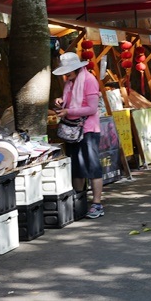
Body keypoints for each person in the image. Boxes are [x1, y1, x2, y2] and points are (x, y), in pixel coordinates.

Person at [52, 52, 104, 218]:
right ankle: (79, 200)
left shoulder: (89, 80)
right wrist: (61, 101)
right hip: (72, 130)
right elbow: (70, 100)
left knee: (92, 167)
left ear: (77, 68)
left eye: (69, 71)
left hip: (88, 129)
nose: (66, 74)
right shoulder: (70, 82)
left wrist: (69, 111)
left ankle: (97, 203)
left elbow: (92, 108)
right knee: (76, 167)